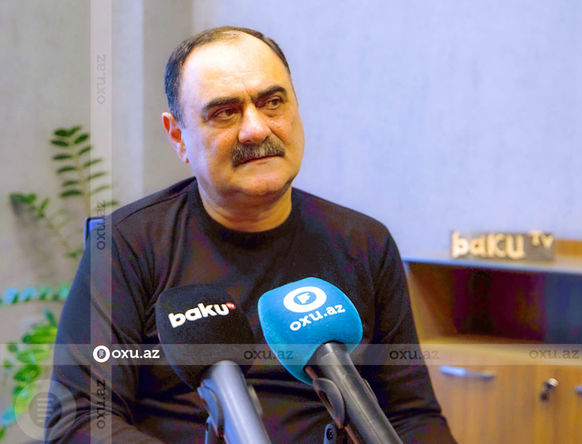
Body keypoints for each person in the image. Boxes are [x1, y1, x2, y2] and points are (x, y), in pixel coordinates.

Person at [46, 26, 456, 443]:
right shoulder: (126, 245)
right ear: (178, 137)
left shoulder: (364, 243)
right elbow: (79, 420)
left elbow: (412, 415)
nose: (256, 130)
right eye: (225, 112)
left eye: (273, 103)